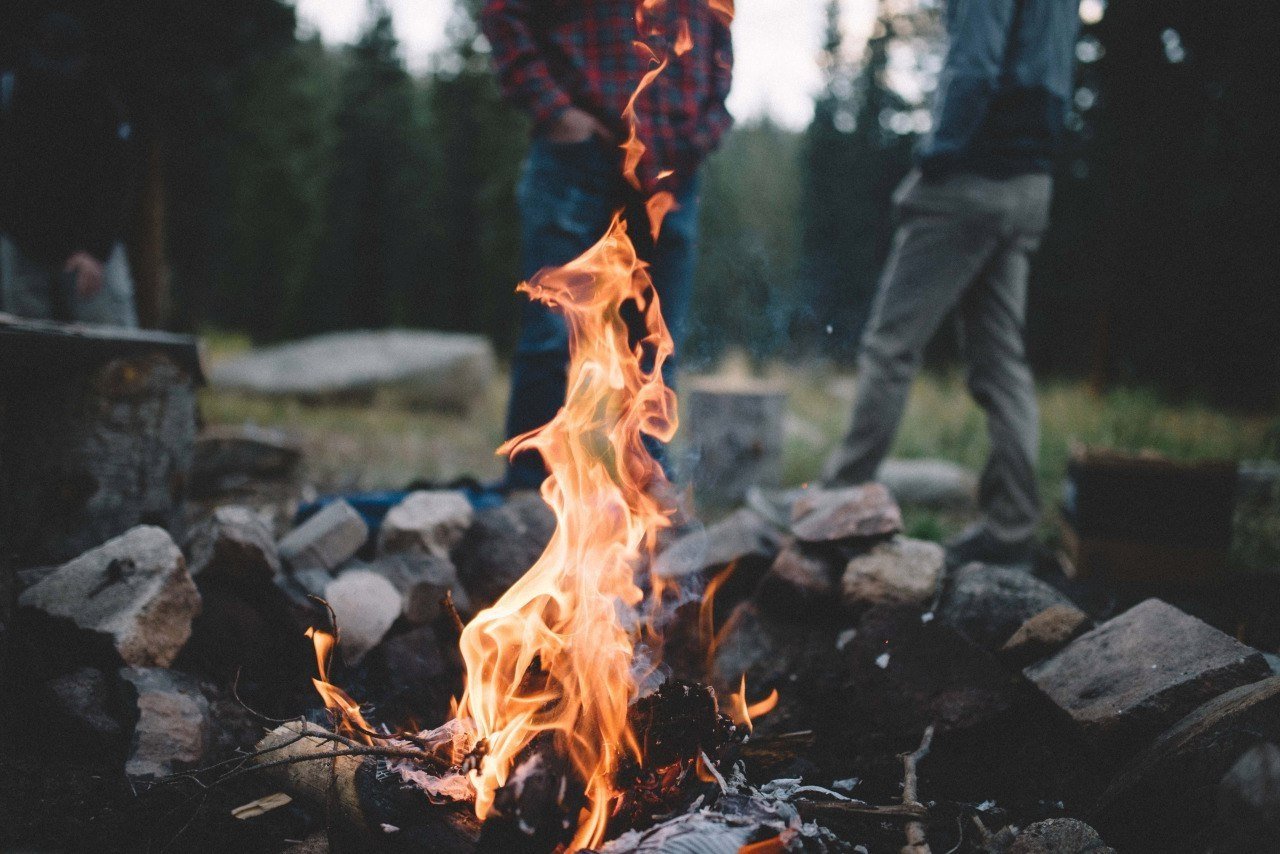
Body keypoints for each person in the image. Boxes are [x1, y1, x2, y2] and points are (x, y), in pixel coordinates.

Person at [822, 0, 1080, 566]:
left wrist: (934, 160)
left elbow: (975, 67)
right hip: (1030, 180)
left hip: (971, 177)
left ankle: (838, 503)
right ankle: (1011, 529)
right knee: (1000, 361)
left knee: (890, 346)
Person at [481, 0, 732, 491]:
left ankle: (642, 496)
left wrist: (706, 130)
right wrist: (558, 114)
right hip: (581, 157)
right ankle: (530, 494)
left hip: (673, 170)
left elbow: (720, 43)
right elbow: (502, 13)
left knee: (657, 344)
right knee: (554, 333)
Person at [0, 10, 138, 327]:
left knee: (111, 335)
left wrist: (95, 250)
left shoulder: (102, 104)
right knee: (25, 343)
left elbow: (118, 183)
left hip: (88, 239)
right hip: (23, 239)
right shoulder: (10, 99)